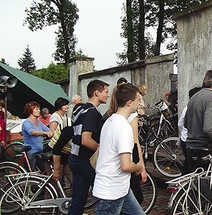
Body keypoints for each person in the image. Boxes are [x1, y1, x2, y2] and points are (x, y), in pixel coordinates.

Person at [93, 83, 144, 215]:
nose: (140, 103)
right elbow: (126, 165)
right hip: (111, 193)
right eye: (138, 100)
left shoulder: (110, 121)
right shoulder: (123, 127)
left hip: (120, 188)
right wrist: (139, 167)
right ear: (129, 103)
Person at [68, 79, 109, 215]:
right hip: (86, 161)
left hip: (75, 158)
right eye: (106, 92)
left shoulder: (80, 108)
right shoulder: (91, 112)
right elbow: (86, 140)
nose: (107, 95)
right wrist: (102, 149)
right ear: (97, 93)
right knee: (105, 195)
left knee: (78, 201)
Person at [45, 97, 73, 189]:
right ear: (60, 106)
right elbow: (53, 131)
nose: (67, 106)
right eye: (64, 105)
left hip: (64, 150)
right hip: (56, 147)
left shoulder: (64, 117)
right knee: (56, 178)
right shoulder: (55, 116)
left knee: (68, 174)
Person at [21, 101, 51, 172]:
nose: (39, 111)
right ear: (30, 111)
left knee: (45, 171)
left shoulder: (38, 122)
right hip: (31, 152)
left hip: (39, 151)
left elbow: (48, 130)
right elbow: (31, 132)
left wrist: (52, 132)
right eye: (36, 109)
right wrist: (43, 133)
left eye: (39, 109)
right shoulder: (26, 123)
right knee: (30, 173)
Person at [177, 86, 202, 175]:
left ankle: (183, 181)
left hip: (185, 139)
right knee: (191, 164)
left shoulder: (187, 107)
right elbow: (181, 123)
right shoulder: (190, 108)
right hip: (190, 139)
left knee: (188, 163)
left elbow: (180, 124)